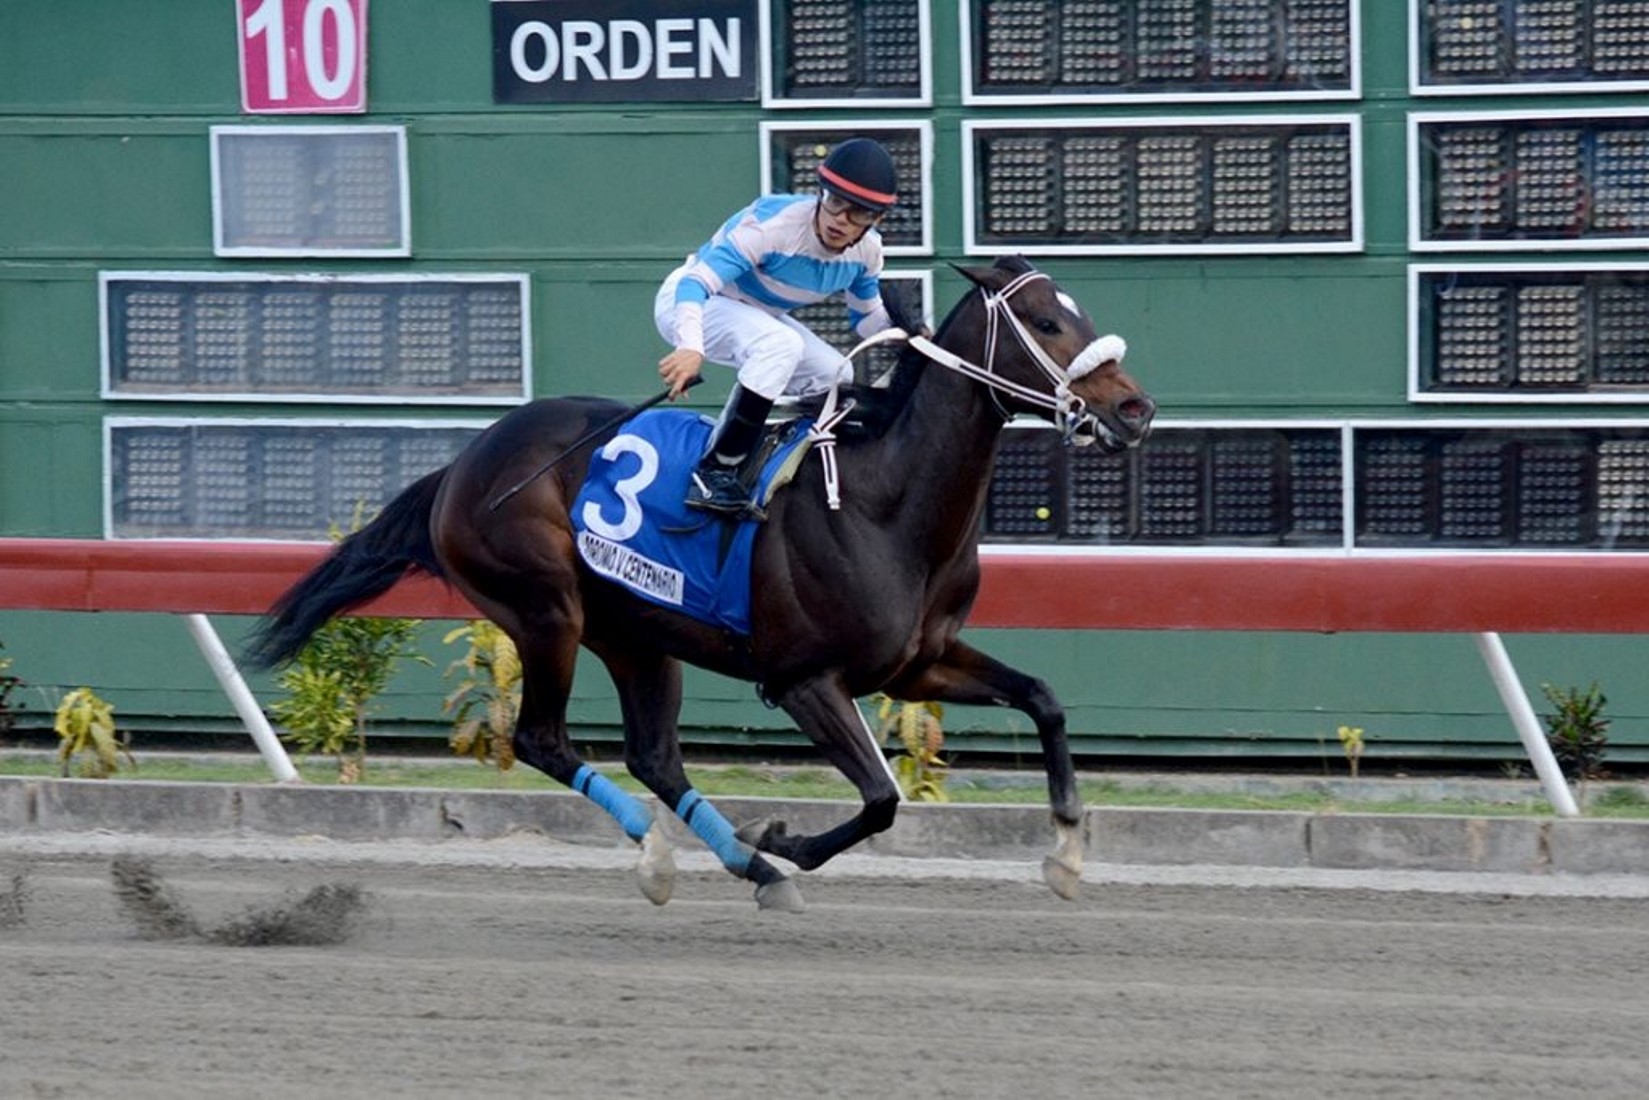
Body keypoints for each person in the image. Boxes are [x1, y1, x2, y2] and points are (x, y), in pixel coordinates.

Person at [655, 137, 899, 515]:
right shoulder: (774, 225)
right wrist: (691, 346)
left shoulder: (868, 254)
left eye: (859, 213)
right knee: (780, 343)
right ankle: (716, 469)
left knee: (837, 373)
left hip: (756, 315)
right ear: (821, 194)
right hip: (691, 304)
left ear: (877, 220)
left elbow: (867, 321)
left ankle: (792, 466)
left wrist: (915, 342)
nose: (840, 220)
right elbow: (696, 284)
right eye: (834, 202)